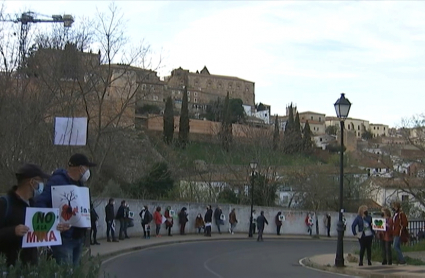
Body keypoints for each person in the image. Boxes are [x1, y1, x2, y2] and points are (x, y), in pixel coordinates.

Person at [35, 153, 97, 266]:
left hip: (78, 237)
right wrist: (53, 222)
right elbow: (41, 202)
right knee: (66, 272)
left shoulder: (81, 185)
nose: (88, 171)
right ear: (80, 168)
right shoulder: (57, 181)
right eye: (87, 168)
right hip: (64, 238)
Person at [0, 164, 50, 266]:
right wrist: (13, 231)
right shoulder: (5, 203)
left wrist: (55, 228)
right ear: (32, 182)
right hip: (10, 266)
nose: (43, 185)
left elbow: (38, 231)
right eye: (40, 181)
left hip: (30, 265)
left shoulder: (33, 204)